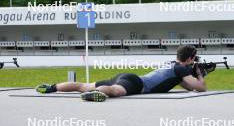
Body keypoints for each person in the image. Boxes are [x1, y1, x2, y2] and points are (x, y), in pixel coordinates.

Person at [36, 45, 207, 102]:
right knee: (116, 91)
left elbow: (187, 86)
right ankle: (93, 95)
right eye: (194, 59)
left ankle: (51, 87)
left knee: (82, 85)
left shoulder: (173, 66)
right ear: (191, 58)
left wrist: (193, 75)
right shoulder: (182, 69)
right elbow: (200, 88)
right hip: (136, 84)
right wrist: (200, 74)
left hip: (129, 77)